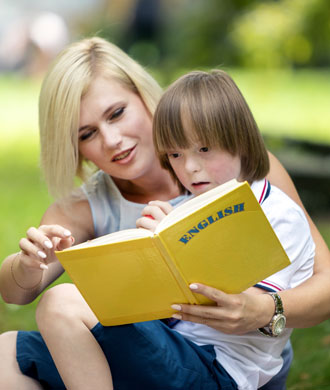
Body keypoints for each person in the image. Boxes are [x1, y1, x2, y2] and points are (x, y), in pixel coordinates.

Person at [0, 37, 327, 389]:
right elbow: (15, 292)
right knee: (7, 352)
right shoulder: (83, 207)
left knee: (64, 304)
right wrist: (28, 264)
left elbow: (323, 282)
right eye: (88, 133)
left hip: (227, 366)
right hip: (157, 356)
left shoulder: (237, 169)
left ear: (145, 98)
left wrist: (267, 310)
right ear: (75, 149)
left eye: (117, 113)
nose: (111, 140)